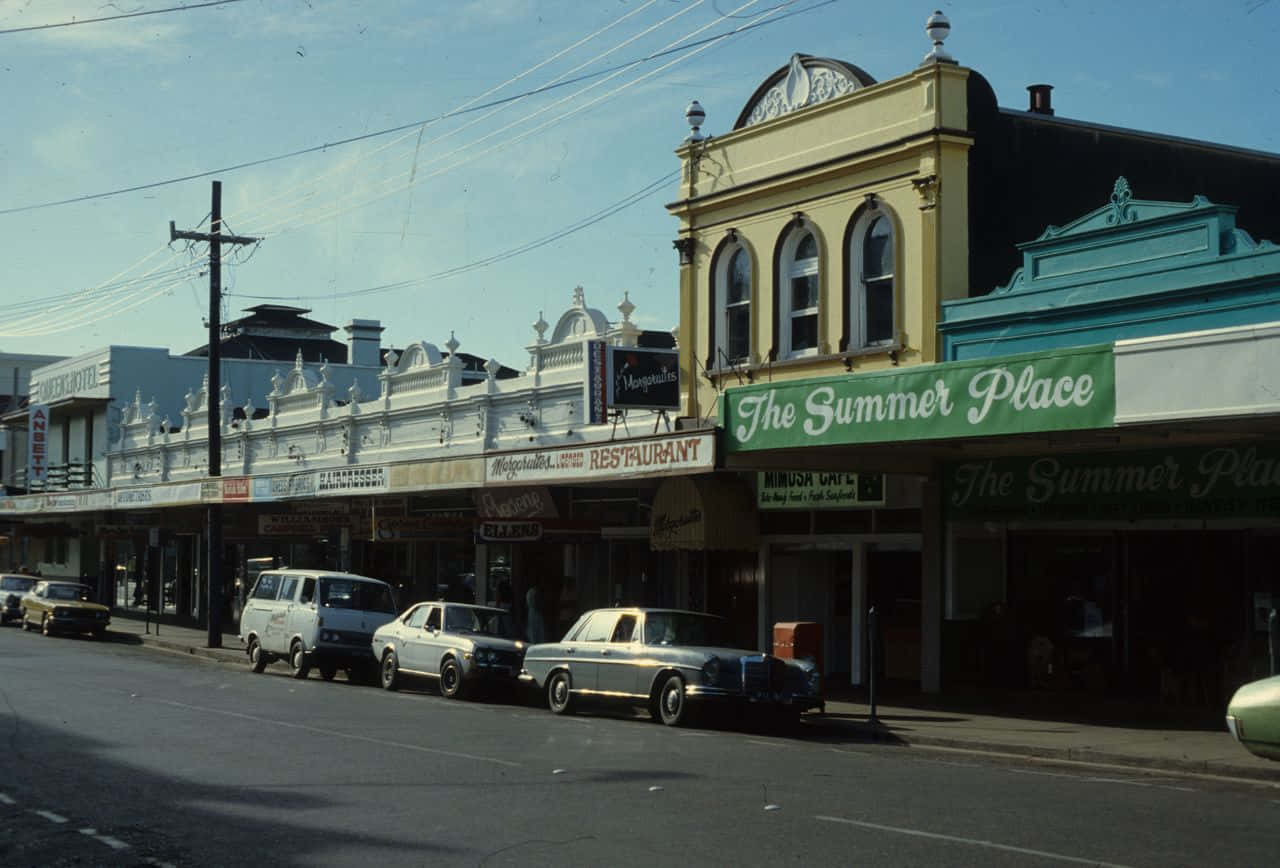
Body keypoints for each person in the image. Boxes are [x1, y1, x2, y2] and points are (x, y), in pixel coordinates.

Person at [525, 579, 545, 644]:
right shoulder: (533, 592)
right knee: (535, 629)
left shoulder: (532, 591)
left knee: (535, 629)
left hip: (533, 612)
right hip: (534, 612)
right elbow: (535, 603)